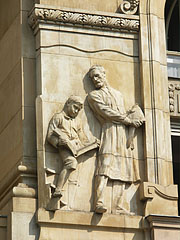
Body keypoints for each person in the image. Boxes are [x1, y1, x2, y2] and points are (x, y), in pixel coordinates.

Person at [88, 65, 143, 214]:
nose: (95, 80)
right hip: (109, 130)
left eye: (98, 76)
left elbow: (121, 111)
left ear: (104, 75)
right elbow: (106, 112)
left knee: (123, 168)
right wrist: (127, 119)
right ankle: (98, 201)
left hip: (123, 133)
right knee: (104, 166)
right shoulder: (93, 96)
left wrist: (133, 115)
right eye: (93, 78)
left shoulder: (118, 94)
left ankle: (119, 205)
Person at [47, 95, 89, 198]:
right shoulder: (58, 117)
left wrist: (89, 144)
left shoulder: (78, 121)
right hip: (64, 147)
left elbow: (82, 136)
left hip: (76, 146)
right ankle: (58, 189)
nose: (76, 111)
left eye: (78, 110)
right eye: (75, 107)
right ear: (68, 104)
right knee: (71, 163)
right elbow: (50, 135)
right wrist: (58, 142)